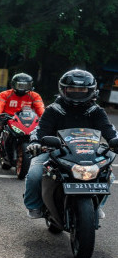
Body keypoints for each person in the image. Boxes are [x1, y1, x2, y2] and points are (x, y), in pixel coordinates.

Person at [24, 69, 118, 219]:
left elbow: (110, 131)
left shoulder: (97, 111)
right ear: (63, 89)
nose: (77, 92)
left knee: (108, 176)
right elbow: (40, 130)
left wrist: (115, 141)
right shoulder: (53, 110)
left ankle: (97, 205)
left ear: (91, 90)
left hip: (89, 153)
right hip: (54, 151)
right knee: (35, 174)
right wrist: (35, 143)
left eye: (82, 89)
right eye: (72, 88)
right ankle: (34, 206)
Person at [0, 73, 45, 154]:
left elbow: (40, 107)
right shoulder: (5, 94)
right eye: (20, 85)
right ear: (13, 85)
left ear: (30, 85)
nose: (22, 88)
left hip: (28, 119)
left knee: (42, 131)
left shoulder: (35, 95)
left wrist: (44, 117)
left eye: (25, 86)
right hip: (8, 118)